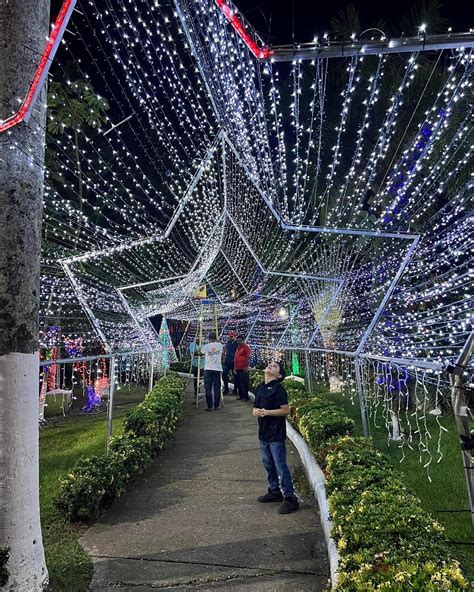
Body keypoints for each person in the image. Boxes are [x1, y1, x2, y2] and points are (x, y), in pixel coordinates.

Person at [252, 361, 299, 514]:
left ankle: (290, 498)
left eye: (275, 366)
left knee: (280, 465)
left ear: (279, 375)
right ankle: (274, 491)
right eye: (270, 364)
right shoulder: (260, 387)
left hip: (275, 434)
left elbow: (285, 410)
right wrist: (256, 412)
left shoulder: (278, 389)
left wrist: (267, 412)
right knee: (268, 464)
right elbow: (255, 407)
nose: (270, 366)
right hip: (263, 433)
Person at [201, 332, 224, 411]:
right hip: (217, 369)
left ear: (209, 338)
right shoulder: (220, 345)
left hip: (208, 369)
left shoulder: (206, 346)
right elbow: (223, 351)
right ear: (216, 338)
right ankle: (217, 405)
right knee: (217, 388)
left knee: (208, 388)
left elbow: (201, 353)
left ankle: (210, 406)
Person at [234, 335, 251, 401]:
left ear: (243, 340)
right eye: (237, 340)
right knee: (239, 383)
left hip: (243, 368)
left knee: (244, 383)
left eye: (239, 340)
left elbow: (247, 357)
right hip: (238, 368)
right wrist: (235, 367)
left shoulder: (246, 347)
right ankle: (241, 396)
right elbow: (236, 358)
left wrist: (246, 367)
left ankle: (245, 397)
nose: (238, 342)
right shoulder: (238, 347)